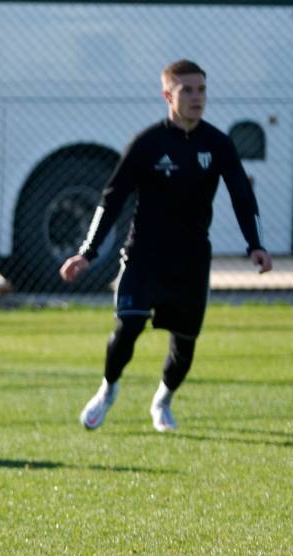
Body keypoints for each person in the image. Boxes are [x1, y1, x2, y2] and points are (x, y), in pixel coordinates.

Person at [60, 59, 272, 432]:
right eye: (186, 90)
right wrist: (87, 252)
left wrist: (255, 244)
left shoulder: (217, 144)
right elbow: (112, 199)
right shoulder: (147, 143)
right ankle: (108, 389)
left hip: (191, 260)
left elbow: (242, 194)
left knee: (184, 342)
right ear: (167, 96)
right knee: (128, 326)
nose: (196, 97)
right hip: (143, 256)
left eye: (201, 90)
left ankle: (163, 400)